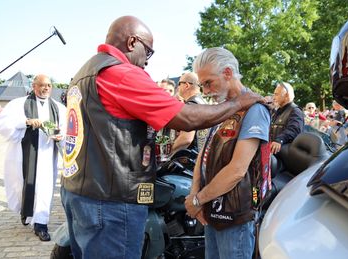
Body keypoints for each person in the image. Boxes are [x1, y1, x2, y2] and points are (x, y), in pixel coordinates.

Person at [61, 16, 262, 259]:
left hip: (83, 193)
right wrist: (239, 103)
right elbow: (186, 118)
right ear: (133, 42)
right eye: (148, 51)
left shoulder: (86, 72)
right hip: (111, 201)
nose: (146, 61)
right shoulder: (121, 73)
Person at [184, 47, 271, 259]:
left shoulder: (254, 109)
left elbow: (237, 170)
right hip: (212, 210)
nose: (205, 91)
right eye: (202, 85)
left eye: (208, 83)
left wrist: (197, 200)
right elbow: (203, 155)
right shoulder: (225, 107)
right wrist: (196, 196)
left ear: (228, 73)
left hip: (234, 217)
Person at [0, 74, 66, 241]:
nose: (46, 88)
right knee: (22, 186)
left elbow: (65, 129)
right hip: (23, 155)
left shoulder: (58, 107)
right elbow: (2, 125)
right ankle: (26, 213)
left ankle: (41, 224)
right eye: (42, 85)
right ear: (34, 86)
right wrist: (26, 121)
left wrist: (60, 136)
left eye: (49, 85)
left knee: (44, 189)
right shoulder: (18, 104)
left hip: (47, 155)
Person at [171, 72, 208, 154]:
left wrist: (167, 154)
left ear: (186, 85)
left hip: (190, 158)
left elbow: (186, 139)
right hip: (201, 156)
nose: (177, 87)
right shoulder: (203, 102)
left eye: (179, 84)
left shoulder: (190, 106)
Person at [270, 82, 304, 154]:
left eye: (276, 94)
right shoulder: (277, 111)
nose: (274, 97)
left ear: (286, 96)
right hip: (274, 151)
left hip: (286, 154)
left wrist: (280, 140)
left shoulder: (295, 111)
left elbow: (294, 129)